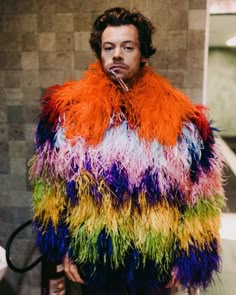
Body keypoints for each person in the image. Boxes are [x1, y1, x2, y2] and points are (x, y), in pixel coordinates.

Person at [29, 7, 225, 295]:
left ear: (143, 53)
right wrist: (63, 249)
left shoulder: (182, 121)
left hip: (155, 258)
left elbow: (202, 195)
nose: (117, 54)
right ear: (100, 53)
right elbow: (51, 188)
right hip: (94, 257)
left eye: (127, 46)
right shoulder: (67, 116)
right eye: (109, 47)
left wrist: (188, 256)